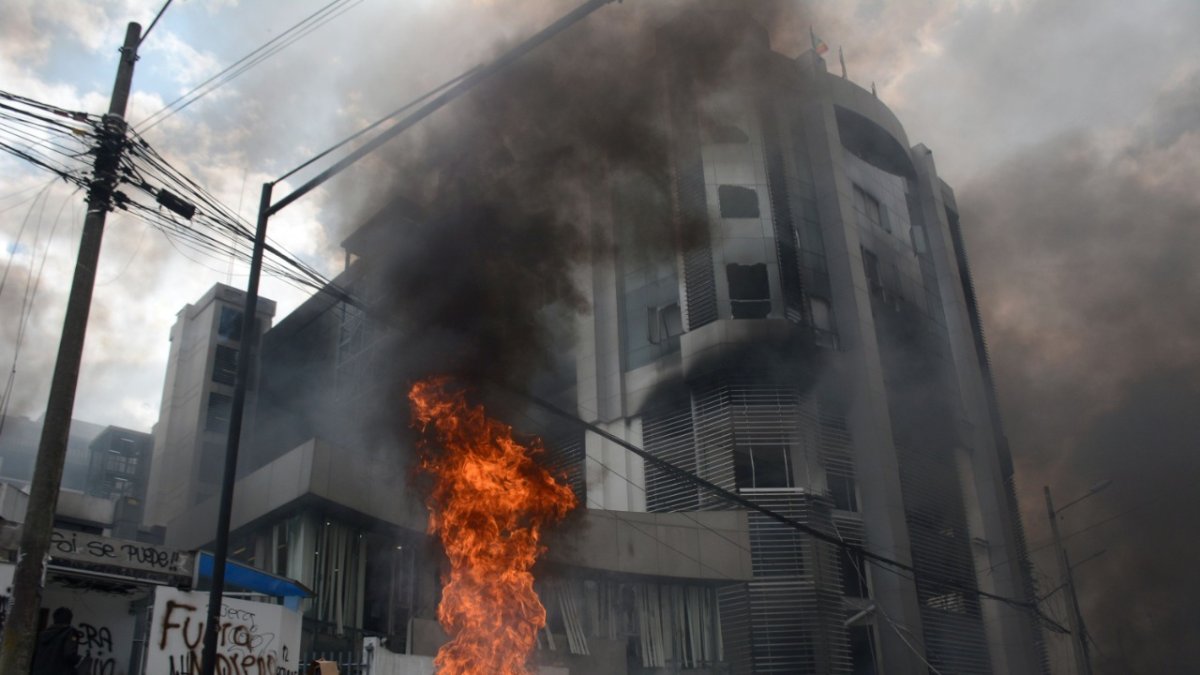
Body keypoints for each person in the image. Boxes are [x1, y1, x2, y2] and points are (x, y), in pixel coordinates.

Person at [29, 607, 81, 675]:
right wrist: (78, 659)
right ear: (69, 619)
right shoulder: (69, 632)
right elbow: (69, 654)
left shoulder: (43, 634)